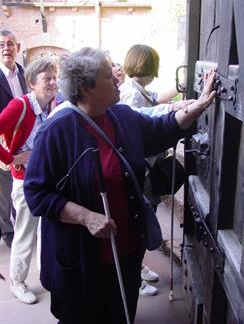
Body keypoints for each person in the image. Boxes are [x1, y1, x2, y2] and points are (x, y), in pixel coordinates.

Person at [23, 47, 215, 324]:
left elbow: (162, 129)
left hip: (124, 253)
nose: (117, 78)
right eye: (107, 75)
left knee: (120, 315)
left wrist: (195, 108)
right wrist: (87, 217)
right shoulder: (56, 131)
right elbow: (37, 195)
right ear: (87, 87)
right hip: (81, 264)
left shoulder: (121, 117)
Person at [119, 44, 191, 296]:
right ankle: (133, 276)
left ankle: (137, 267)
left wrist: (181, 89)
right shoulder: (130, 94)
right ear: (148, 68)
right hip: (142, 172)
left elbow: (158, 99)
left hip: (147, 169)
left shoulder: (137, 89)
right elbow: (147, 116)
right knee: (138, 225)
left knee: (142, 220)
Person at [0, 56, 58, 304]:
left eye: (55, 77)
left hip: (49, 180)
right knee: (25, 231)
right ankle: (17, 281)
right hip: (25, 181)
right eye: (48, 78)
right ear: (33, 83)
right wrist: (11, 158)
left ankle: (47, 276)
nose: (54, 82)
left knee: (47, 232)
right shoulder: (20, 105)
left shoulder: (52, 105)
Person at [0, 30, 28, 248]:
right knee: (3, 187)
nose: (6, 48)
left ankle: (23, 224)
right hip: (2, 139)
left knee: (21, 184)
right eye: (1, 45)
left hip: (25, 138)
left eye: (10, 44)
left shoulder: (24, 74)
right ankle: (7, 231)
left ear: (17, 47)